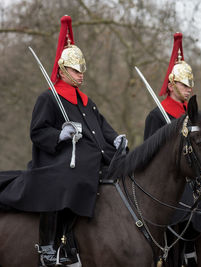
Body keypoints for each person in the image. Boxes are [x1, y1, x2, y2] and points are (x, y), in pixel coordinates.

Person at [0, 16, 127, 266]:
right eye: (75, 70)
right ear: (61, 69)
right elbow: (37, 131)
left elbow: (103, 128)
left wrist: (117, 140)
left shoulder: (87, 102)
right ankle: (49, 245)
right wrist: (60, 134)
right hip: (58, 161)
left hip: (94, 159)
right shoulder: (49, 99)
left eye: (82, 70)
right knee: (66, 180)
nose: (80, 75)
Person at [143, 32, 201, 267]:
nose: (188, 89)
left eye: (190, 85)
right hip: (167, 181)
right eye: (183, 84)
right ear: (171, 84)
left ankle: (194, 248)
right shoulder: (158, 115)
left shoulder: (191, 116)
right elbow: (150, 154)